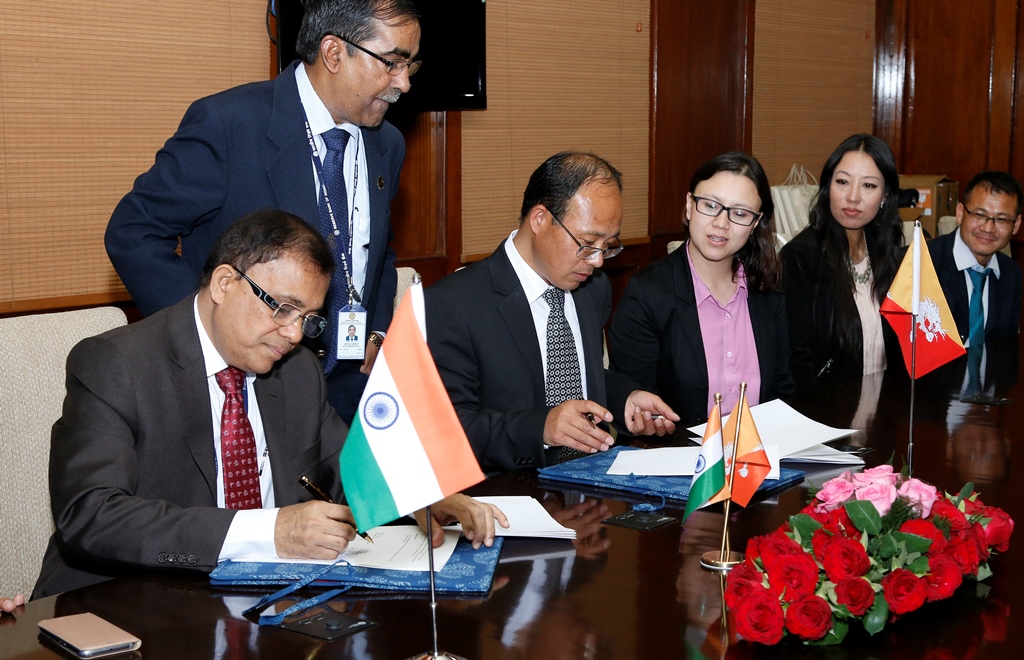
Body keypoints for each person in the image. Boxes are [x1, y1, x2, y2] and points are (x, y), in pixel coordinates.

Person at [34, 210, 502, 599]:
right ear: (223, 284)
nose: (295, 334)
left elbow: (347, 465)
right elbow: (91, 516)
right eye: (281, 308)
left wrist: (420, 494)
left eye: (309, 319)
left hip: (263, 603)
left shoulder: (295, 370)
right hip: (128, 601)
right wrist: (267, 531)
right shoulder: (118, 364)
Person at [104, 0, 421, 424]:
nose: (403, 83)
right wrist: (210, 333)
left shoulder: (387, 144)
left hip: (348, 392)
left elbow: (378, 250)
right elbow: (133, 232)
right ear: (333, 52)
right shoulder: (230, 123)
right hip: (247, 383)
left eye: (411, 66)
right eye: (393, 63)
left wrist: (378, 331)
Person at [425, 151, 679, 474]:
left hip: (592, 487)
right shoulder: (454, 305)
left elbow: (575, 374)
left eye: (608, 246)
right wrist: (541, 428)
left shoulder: (593, 288)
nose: (598, 261)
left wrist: (624, 399)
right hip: (507, 498)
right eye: (587, 243)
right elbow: (451, 430)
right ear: (540, 219)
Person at [608, 152, 794, 425]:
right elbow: (633, 400)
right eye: (710, 205)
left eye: (740, 213)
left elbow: (781, 389)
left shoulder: (767, 288)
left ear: (755, 223)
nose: (721, 222)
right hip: (678, 457)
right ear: (689, 205)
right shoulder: (647, 293)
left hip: (757, 457)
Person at [780, 134, 904, 387]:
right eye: (843, 182)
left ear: (885, 195)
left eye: (868, 185)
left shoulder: (889, 253)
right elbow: (794, 359)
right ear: (827, 188)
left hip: (886, 406)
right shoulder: (801, 258)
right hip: (828, 412)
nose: (853, 197)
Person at [929, 171, 1023, 346]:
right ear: (960, 213)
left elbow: (1007, 350)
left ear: (1016, 224)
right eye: (979, 215)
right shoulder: (920, 262)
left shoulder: (1011, 274)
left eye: (1001, 219)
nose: (988, 228)